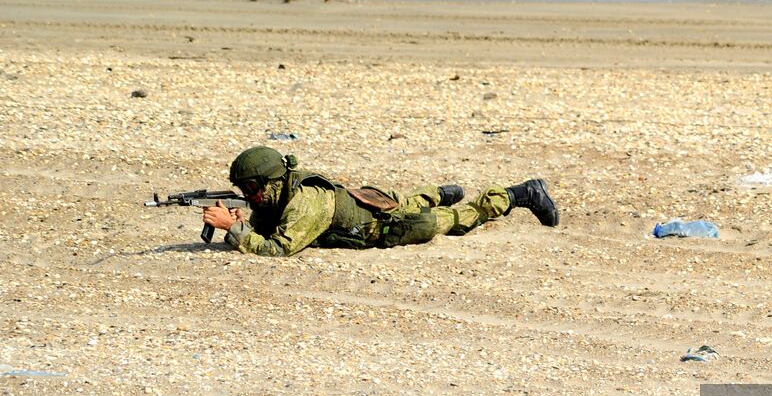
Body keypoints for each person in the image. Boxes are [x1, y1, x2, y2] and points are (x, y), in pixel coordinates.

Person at [201, 145, 558, 257]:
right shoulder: (288, 188)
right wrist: (248, 219)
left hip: (383, 227)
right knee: (404, 200)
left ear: (270, 181)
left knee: (454, 221)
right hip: (369, 203)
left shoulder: (306, 202)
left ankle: (520, 193)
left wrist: (234, 229)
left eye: (251, 189)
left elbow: (278, 249)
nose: (250, 197)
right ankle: (436, 193)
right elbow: (275, 221)